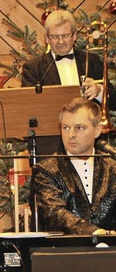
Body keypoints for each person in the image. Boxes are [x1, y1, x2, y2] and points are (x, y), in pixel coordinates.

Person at [21, 9, 116, 155]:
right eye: (54, 37)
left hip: (89, 144)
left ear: (75, 35)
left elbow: (114, 100)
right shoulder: (33, 68)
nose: (60, 42)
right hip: (50, 147)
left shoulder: (92, 62)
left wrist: (99, 90)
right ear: (47, 38)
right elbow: (29, 109)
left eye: (65, 36)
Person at [32, 97, 116, 234]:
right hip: (65, 252)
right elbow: (53, 213)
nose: (71, 135)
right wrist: (94, 232)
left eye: (79, 128)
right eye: (65, 127)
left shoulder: (112, 167)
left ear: (97, 130)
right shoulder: (46, 169)